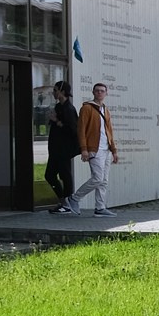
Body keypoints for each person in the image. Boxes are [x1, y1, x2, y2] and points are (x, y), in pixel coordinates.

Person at [65, 81, 120, 217]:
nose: (99, 93)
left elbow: (109, 130)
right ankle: (74, 198)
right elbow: (81, 129)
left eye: (102, 91)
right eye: (97, 90)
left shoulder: (105, 109)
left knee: (104, 180)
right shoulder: (87, 108)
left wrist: (114, 150)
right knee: (97, 178)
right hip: (94, 149)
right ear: (93, 92)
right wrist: (84, 148)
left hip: (106, 149)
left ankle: (100, 208)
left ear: (106, 93)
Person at [43, 79, 78, 209]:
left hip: (64, 149)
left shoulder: (69, 109)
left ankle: (68, 202)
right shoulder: (58, 107)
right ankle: (63, 199)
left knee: (65, 174)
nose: (53, 93)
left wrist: (57, 121)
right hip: (55, 148)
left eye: (55, 90)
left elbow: (73, 130)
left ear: (62, 92)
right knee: (49, 175)